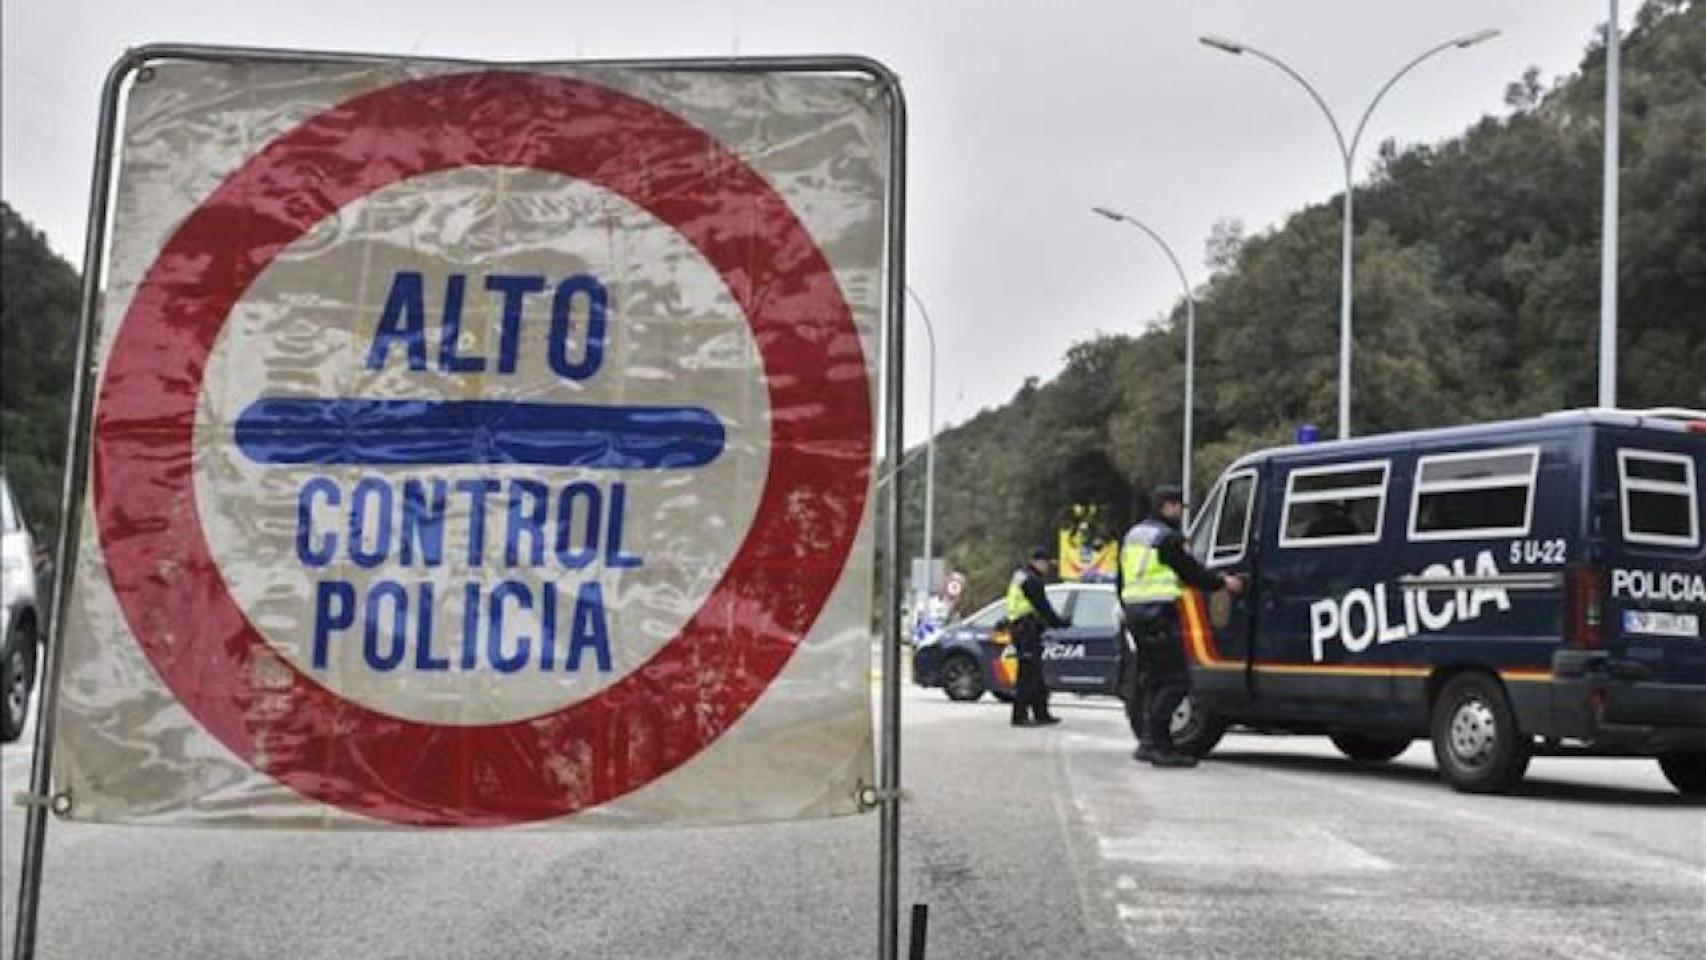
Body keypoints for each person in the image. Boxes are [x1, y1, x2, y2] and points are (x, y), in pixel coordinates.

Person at [1117, 485, 1245, 767]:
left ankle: (1147, 744)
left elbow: (1120, 579)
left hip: (1136, 614)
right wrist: (1223, 582)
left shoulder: (1134, 535)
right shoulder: (1168, 538)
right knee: (1176, 681)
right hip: (1159, 613)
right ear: (1166, 506)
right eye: (1178, 507)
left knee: (1153, 680)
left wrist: (1127, 609)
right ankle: (1161, 747)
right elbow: (1191, 572)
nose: (1180, 513)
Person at [1005, 546, 1070, 727]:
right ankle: (1019, 716)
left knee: (1035, 673)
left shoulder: (1022, 576)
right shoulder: (1032, 581)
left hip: (1021, 627)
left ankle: (1041, 713)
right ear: (1038, 562)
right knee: (1027, 674)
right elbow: (1043, 606)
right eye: (1047, 563)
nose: (1048, 567)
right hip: (1026, 629)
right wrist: (1060, 623)